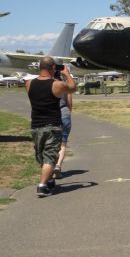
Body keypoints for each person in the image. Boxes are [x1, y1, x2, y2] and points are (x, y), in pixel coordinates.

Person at [25, 56, 77, 197]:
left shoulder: (29, 83)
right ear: (53, 68)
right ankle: (42, 186)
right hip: (52, 125)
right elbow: (73, 88)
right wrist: (67, 74)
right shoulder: (56, 84)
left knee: (41, 155)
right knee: (50, 156)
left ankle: (48, 182)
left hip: (36, 125)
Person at [53, 91, 72, 179]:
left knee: (51, 143)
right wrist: (68, 112)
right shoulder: (65, 85)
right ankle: (58, 165)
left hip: (51, 115)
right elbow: (69, 102)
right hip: (64, 112)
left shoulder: (47, 83)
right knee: (63, 143)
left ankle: (51, 167)